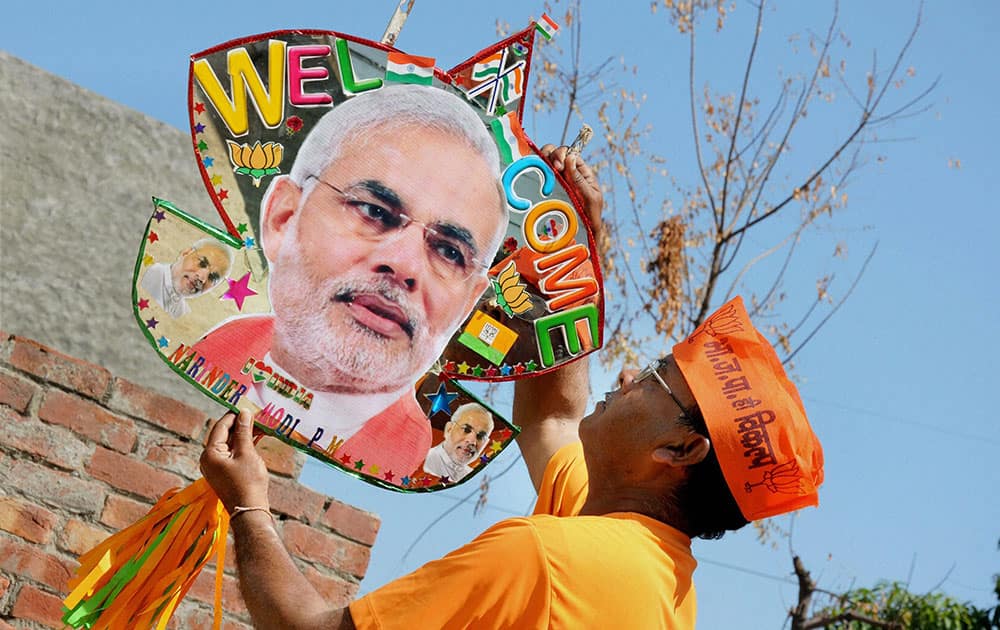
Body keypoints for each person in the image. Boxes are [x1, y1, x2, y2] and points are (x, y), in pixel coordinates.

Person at [200, 146, 824, 629]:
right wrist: (572, 255)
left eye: (658, 379)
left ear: (681, 452)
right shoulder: (652, 573)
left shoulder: (547, 560)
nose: (630, 375)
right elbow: (553, 416)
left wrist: (248, 506)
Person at [193, 84, 509, 478]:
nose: (404, 265)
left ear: (466, 305)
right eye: (374, 211)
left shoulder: (415, 464)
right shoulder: (210, 345)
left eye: (449, 252)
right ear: (283, 218)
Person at [140, 238, 233, 318]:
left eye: (212, 277)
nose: (201, 278)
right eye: (202, 263)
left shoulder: (183, 314)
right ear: (185, 253)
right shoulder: (148, 274)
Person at [422, 402, 495, 482]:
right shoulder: (423, 462)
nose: (472, 442)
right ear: (449, 429)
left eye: (481, 436)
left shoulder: (473, 480)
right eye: (466, 430)